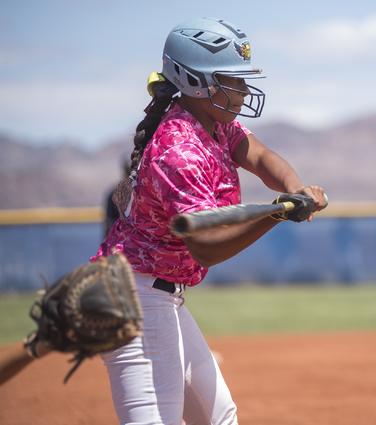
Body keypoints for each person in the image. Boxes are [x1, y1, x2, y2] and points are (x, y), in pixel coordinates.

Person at [91, 18, 326, 425]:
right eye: (234, 80)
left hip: (159, 296)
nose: (245, 89)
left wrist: (295, 190)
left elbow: (259, 156)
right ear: (198, 83)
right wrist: (276, 213)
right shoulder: (178, 151)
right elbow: (206, 246)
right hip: (132, 299)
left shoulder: (215, 125)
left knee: (219, 419)